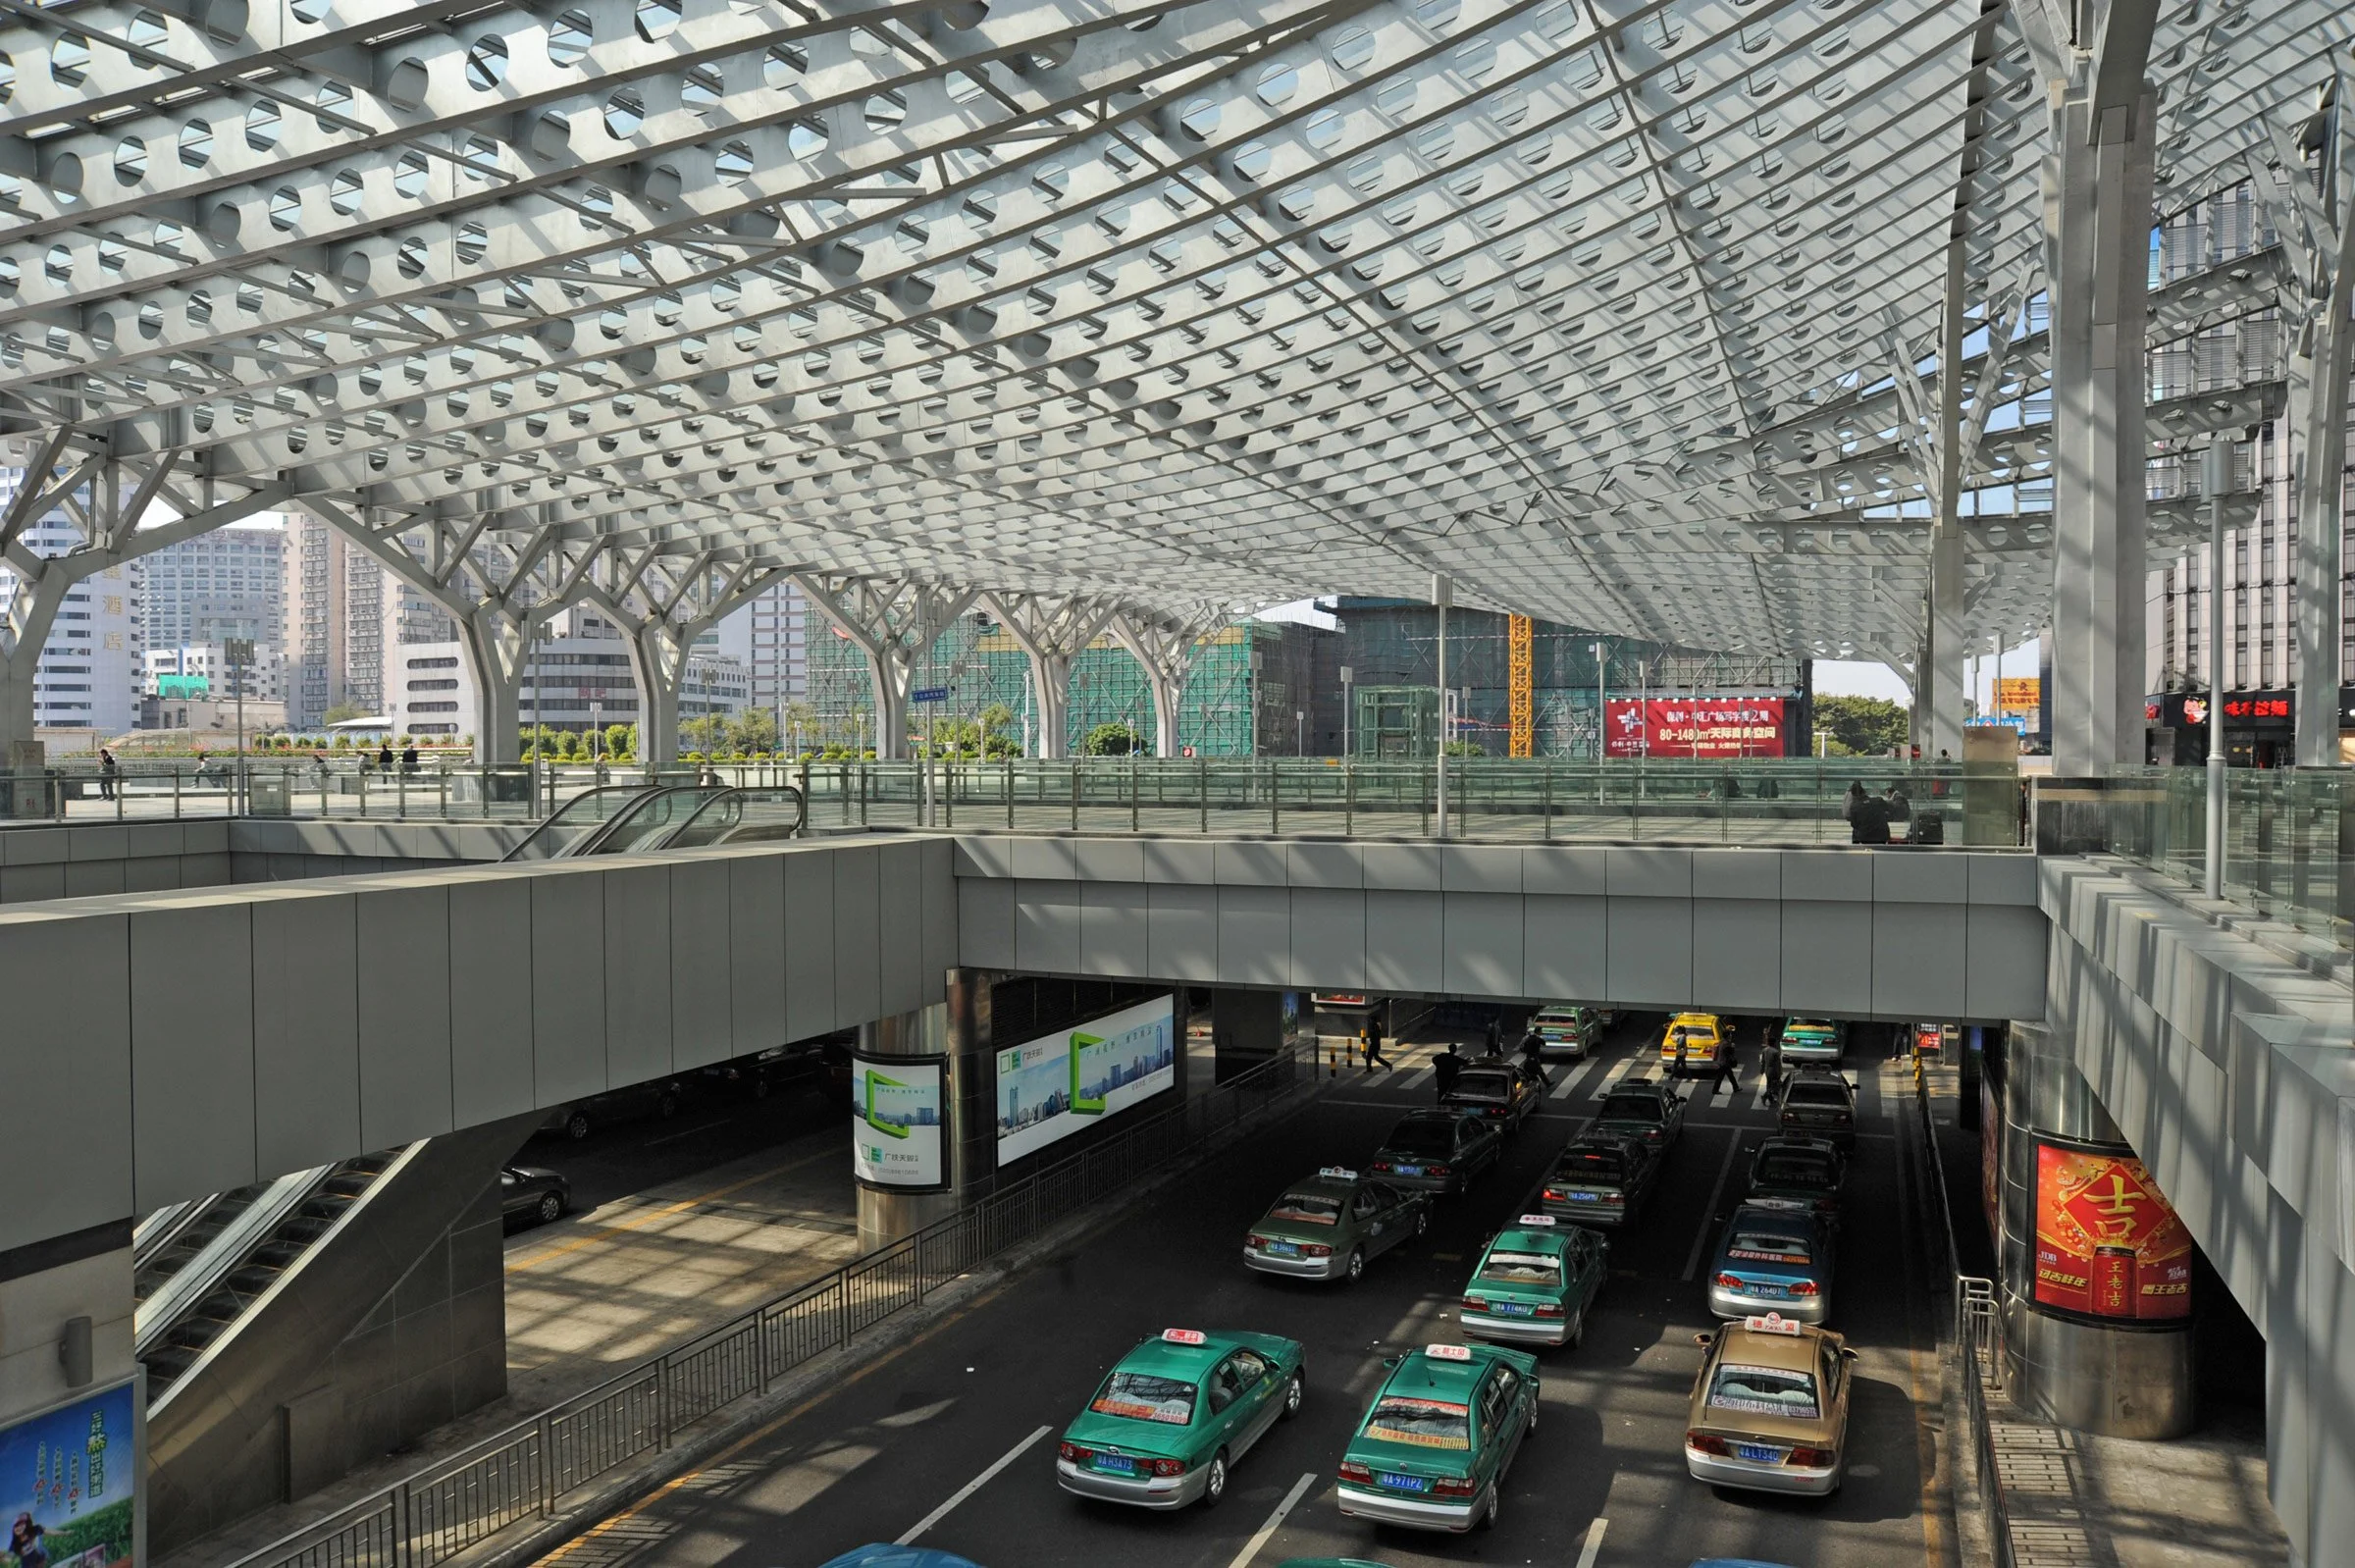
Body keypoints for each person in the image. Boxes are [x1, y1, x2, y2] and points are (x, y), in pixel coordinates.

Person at [1518, 1025, 1550, 1089]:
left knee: (1531, 1071)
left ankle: (1547, 1083)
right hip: (1533, 1058)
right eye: (1541, 1031)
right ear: (1538, 1032)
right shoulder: (1536, 1039)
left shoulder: (1530, 1038)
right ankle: (1524, 1084)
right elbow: (1544, 1043)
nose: (1542, 1032)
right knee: (1536, 1071)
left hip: (1530, 1057)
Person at [1711, 1033, 1742, 1100]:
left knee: (1730, 1076)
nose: (1731, 1036)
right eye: (1730, 1035)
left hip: (1722, 1062)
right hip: (1724, 1063)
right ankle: (1715, 1090)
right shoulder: (1726, 1044)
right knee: (1720, 1077)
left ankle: (1735, 1087)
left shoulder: (1721, 1041)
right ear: (1727, 1036)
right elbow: (1728, 1052)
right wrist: (1733, 1048)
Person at [1763, 1032, 1785, 1100]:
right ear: (1774, 1043)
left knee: (1769, 1084)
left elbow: (1763, 1061)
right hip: (1773, 1070)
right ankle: (1768, 1096)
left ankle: (1768, 1097)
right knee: (1775, 1085)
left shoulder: (1765, 1050)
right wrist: (1779, 1072)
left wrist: (1762, 1069)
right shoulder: (1775, 1052)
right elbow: (1777, 1063)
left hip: (1767, 1069)